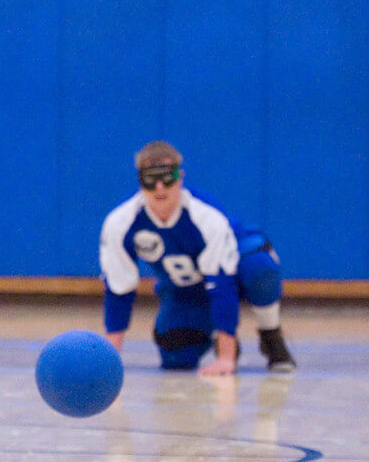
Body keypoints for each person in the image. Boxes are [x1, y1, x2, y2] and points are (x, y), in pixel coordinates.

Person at [99, 140, 296, 376]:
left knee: (259, 266)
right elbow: (119, 288)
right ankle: (215, 332)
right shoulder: (120, 223)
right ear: (140, 181)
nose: (160, 187)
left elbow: (221, 284)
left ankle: (270, 335)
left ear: (180, 177)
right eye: (151, 179)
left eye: (167, 177)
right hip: (187, 288)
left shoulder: (205, 216)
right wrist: (108, 360)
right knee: (176, 356)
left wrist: (226, 358)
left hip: (232, 271)